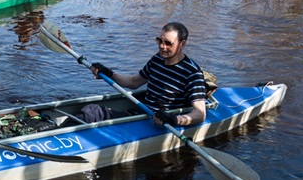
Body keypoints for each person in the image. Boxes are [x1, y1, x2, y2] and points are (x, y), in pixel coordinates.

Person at [69, 22, 207, 127]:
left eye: (168, 43)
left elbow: (200, 114)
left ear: (182, 44)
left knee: (93, 112)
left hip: (159, 122)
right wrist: (109, 73)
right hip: (142, 113)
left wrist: (175, 119)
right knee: (90, 110)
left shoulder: (192, 72)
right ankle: (50, 132)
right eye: (160, 41)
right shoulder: (157, 60)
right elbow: (134, 82)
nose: (162, 47)